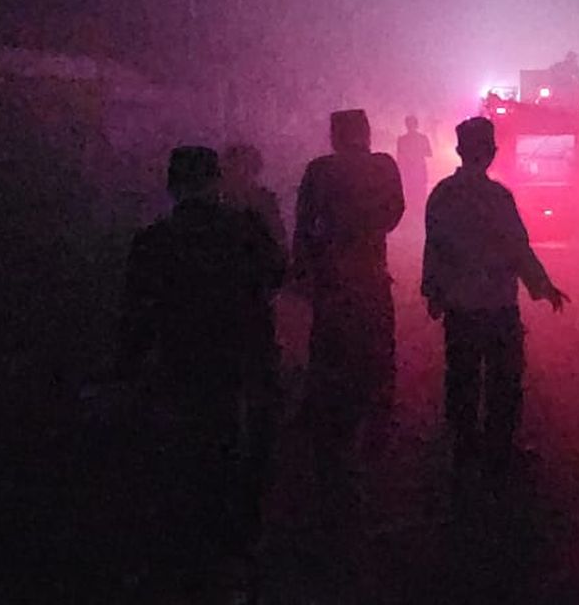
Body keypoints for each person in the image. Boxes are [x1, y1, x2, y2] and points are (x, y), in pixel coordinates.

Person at [120, 146, 285, 582]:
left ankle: (189, 552)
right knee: (238, 449)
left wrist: (125, 370)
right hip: (243, 361)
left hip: (181, 364)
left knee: (186, 452)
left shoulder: (154, 241)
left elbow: (136, 317)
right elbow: (277, 275)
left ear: (172, 186)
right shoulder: (245, 228)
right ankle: (235, 545)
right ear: (216, 182)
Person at [422, 117, 569, 477]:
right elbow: (519, 249)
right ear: (491, 154)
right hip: (499, 305)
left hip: (461, 306)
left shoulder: (442, 195)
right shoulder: (498, 197)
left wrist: (434, 292)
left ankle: (464, 448)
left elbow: (434, 249)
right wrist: (543, 286)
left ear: (459, 150)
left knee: (462, 376)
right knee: (504, 380)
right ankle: (500, 450)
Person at [294, 109, 404, 480]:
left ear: (335, 135)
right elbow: (394, 213)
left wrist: (304, 267)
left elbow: (304, 223)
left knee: (328, 349)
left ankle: (325, 425)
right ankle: (376, 420)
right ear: (367, 133)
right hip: (371, 271)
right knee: (377, 348)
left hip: (331, 275)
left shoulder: (319, 170)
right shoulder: (383, 166)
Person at [222, 143, 287, 253]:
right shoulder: (220, 200)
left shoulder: (265, 200)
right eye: (232, 167)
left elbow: (278, 238)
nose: (241, 173)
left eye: (245, 168)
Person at [396, 115, 433, 221]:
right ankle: (417, 215)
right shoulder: (422, 138)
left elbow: (399, 157)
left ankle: (414, 215)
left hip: (412, 170)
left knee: (412, 193)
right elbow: (429, 153)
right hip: (416, 170)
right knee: (417, 193)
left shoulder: (402, 140)